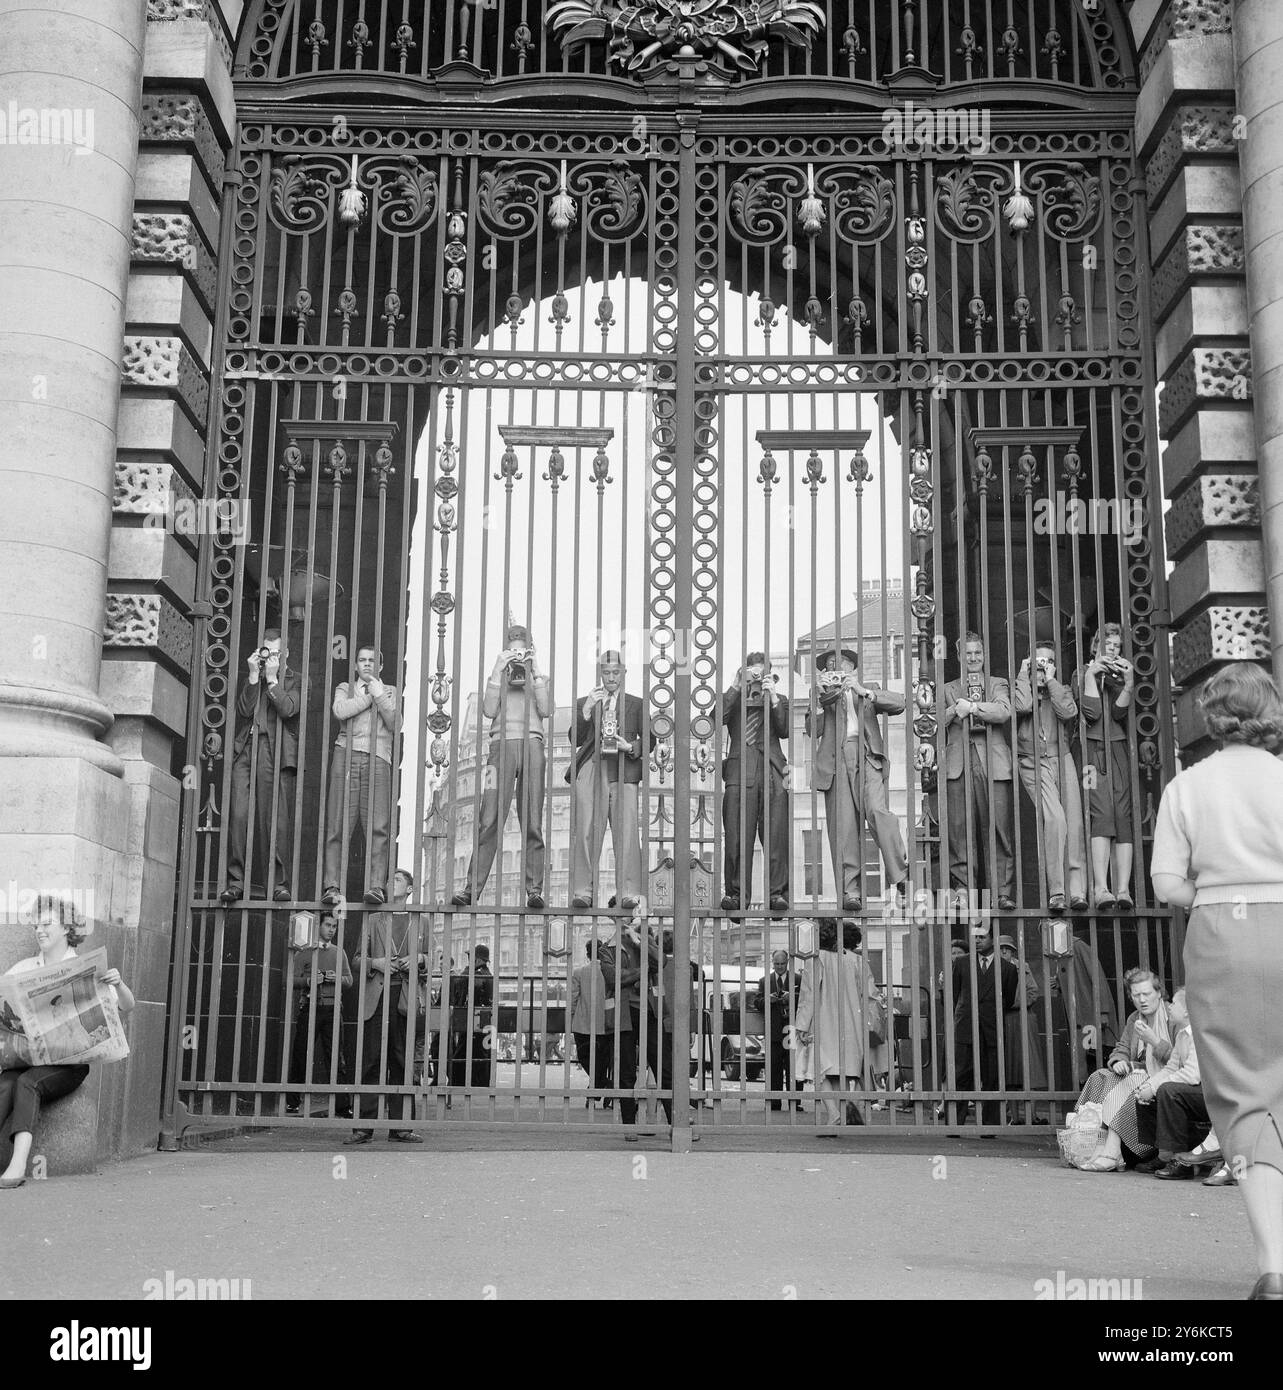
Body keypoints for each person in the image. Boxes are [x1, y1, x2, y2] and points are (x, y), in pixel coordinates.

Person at [1152, 663, 1283, 1299]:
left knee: (1241, 1097)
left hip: (1221, 936)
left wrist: (1219, 885)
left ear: (1212, 719)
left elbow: (1167, 883)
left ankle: (1273, 1265)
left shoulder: (1187, 786)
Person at [0, 897, 135, 1188]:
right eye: (36, 925)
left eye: (47, 924)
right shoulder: (24, 967)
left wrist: (118, 983)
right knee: (6, 1083)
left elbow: (128, 1005)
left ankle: (17, 1164)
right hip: (29, 1057)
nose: (39, 930)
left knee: (27, 1084)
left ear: (66, 928)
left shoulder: (82, 966)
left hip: (68, 1064)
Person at [454, 624, 551, 910]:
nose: (517, 654)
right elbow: (487, 710)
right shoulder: (497, 675)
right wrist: (498, 670)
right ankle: (472, 889)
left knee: (533, 818)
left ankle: (534, 890)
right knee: (489, 817)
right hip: (499, 749)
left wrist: (535, 672)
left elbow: (546, 710)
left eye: (522, 648)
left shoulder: (538, 677)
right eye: (513, 648)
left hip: (533, 745)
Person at [806, 647, 908, 912]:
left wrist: (863, 691)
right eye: (830, 665)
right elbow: (811, 730)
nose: (835, 668)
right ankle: (851, 892)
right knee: (844, 828)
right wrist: (818, 699)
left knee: (878, 812)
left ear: (852, 668)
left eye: (841, 664)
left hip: (866, 756)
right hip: (836, 761)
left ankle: (901, 877)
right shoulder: (821, 696)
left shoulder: (867, 687)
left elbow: (900, 703)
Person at [568, 651, 651, 911]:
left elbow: (651, 739)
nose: (611, 677)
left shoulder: (637, 704)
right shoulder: (587, 701)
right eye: (607, 672)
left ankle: (628, 892)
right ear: (600, 674)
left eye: (616, 672)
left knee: (626, 831)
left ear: (624, 673)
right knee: (586, 829)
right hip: (594, 766)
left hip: (624, 768)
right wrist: (586, 710)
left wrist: (632, 746)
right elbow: (576, 738)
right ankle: (583, 892)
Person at [221, 627, 300, 903]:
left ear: (286, 654)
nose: (271, 658)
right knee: (239, 815)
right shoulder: (253, 677)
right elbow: (243, 710)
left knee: (273, 817)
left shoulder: (296, 680)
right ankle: (236, 882)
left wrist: (272, 680)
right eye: (267, 652)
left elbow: (289, 709)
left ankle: (278, 884)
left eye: (276, 653)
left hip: (272, 749)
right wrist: (255, 676)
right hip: (246, 748)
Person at [347, 869, 424, 1144]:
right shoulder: (374, 919)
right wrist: (376, 963)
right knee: (370, 1061)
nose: (393, 883)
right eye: (390, 880)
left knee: (402, 1062)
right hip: (377, 997)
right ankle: (363, 1127)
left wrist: (419, 959)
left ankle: (401, 1127)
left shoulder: (419, 921)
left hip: (404, 997)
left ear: (410, 890)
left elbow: (433, 958)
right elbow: (356, 960)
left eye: (399, 880)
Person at [1071, 967, 1174, 1172]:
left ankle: (1112, 1151)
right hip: (1138, 1071)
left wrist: (1154, 1041)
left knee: (1133, 1081)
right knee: (1101, 1076)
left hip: (1166, 1074)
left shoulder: (1173, 1015)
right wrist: (1120, 1060)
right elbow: (1123, 1049)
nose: (1142, 1000)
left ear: (1159, 993)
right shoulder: (1135, 1018)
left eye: (1147, 994)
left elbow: (1182, 1060)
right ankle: (1090, 1141)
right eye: (1136, 995)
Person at [942, 633, 1015, 911]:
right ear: (959, 657)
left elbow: (1004, 711)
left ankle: (1002, 892)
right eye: (968, 654)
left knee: (998, 828)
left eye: (977, 653)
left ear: (984, 655)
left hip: (992, 762)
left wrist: (973, 707)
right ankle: (962, 890)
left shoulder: (997, 683)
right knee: (959, 830)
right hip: (958, 764)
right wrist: (954, 709)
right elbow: (932, 720)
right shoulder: (949, 687)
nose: (973, 658)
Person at [322, 645, 398, 908]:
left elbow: (395, 722)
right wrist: (372, 696)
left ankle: (376, 886)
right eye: (362, 660)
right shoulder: (345, 687)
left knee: (378, 826)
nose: (366, 664)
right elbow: (340, 711)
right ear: (355, 665)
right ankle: (332, 886)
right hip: (346, 754)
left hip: (378, 757)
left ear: (380, 666)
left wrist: (380, 694)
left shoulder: (392, 692)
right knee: (337, 823)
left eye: (372, 661)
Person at [1013, 643, 1087, 913]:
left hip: (1062, 756)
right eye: (1038, 662)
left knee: (1075, 824)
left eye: (1048, 662)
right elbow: (1021, 706)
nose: (1043, 667)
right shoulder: (1021, 687)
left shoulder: (1061, 689)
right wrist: (1025, 675)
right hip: (1033, 761)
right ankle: (1057, 891)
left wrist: (1052, 680)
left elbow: (1068, 712)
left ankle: (1077, 890)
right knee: (1055, 819)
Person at [1071, 623, 1137, 911]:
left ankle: (1123, 889)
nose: (1112, 650)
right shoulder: (1080, 673)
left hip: (1118, 747)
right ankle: (1100, 887)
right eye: (1107, 644)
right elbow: (1092, 713)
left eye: (1116, 645)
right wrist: (1092, 676)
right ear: (1094, 646)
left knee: (1122, 814)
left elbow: (1120, 712)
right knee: (1101, 812)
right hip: (1092, 750)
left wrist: (1130, 683)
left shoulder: (1120, 675)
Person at [721, 652, 790, 913]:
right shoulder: (734, 699)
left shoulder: (779, 700)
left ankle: (777, 896)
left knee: (776, 835)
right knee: (737, 836)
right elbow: (716, 719)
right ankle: (737, 896)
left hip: (773, 770)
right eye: (753, 674)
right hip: (740, 770)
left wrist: (771, 696)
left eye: (762, 674)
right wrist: (736, 686)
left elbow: (783, 729)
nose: (756, 679)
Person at [794, 918, 869, 1129]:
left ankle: (834, 1113)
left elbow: (808, 996)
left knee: (819, 1070)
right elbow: (865, 992)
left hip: (823, 1021)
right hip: (850, 1022)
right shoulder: (855, 960)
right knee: (838, 1071)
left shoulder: (815, 960)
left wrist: (801, 1025)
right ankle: (843, 1112)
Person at [286, 910, 352, 1115]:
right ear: (318, 927)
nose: (331, 930)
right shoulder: (304, 952)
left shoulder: (339, 952)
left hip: (333, 1008)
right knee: (300, 1054)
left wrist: (336, 978)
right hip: (310, 1006)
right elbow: (289, 980)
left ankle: (342, 1106)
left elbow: (349, 981)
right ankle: (293, 1102)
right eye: (328, 925)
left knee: (335, 1057)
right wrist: (308, 981)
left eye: (334, 926)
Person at [951, 930, 1019, 1124]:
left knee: (992, 1077)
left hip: (992, 1029)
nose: (978, 941)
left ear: (993, 939)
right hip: (966, 1026)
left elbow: (1007, 1000)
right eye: (975, 937)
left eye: (983, 937)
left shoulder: (1007, 969)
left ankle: (990, 1125)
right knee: (962, 1074)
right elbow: (954, 995)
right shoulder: (962, 963)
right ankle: (955, 1123)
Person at [998, 934, 1047, 1120]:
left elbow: (1033, 991)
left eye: (1007, 949)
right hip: (1005, 1020)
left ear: (1013, 951)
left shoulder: (1022, 967)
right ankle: (1015, 1117)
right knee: (1010, 1069)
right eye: (1001, 948)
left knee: (1030, 1066)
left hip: (1024, 1017)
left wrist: (1012, 1003)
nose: (1004, 952)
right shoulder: (993, 969)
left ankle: (1031, 1115)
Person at [755, 949, 800, 1110]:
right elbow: (757, 1002)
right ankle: (774, 1101)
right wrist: (769, 999)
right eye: (776, 964)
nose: (779, 967)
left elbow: (805, 1000)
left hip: (791, 1029)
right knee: (774, 1066)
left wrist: (792, 997)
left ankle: (795, 1101)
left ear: (787, 962)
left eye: (782, 963)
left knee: (792, 1067)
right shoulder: (764, 980)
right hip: (773, 1029)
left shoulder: (798, 978)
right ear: (772, 963)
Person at [446, 943, 494, 1089]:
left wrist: (466, 971)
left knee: (463, 1051)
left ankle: (459, 1082)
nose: (468, 960)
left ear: (478, 960)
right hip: (486, 1020)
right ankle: (482, 1083)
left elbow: (460, 988)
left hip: (473, 1020)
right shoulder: (488, 975)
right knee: (484, 1052)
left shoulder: (475, 975)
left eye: (470, 957)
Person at [569, 940, 610, 1100]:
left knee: (584, 1056)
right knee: (603, 1058)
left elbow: (573, 998)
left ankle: (603, 1084)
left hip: (583, 1022)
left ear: (587, 953)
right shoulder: (609, 972)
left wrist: (572, 1016)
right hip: (605, 1022)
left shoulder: (579, 972)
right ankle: (601, 1084)